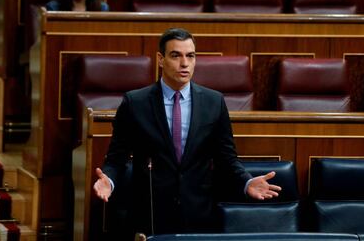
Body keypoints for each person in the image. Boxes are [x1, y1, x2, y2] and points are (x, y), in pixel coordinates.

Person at [93, 27, 281, 239]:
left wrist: (246, 182)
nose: (184, 63)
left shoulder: (214, 102)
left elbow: (226, 158)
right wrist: (109, 181)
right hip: (151, 215)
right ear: (161, 59)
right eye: (176, 55)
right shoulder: (135, 103)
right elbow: (117, 158)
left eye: (190, 56)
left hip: (198, 215)